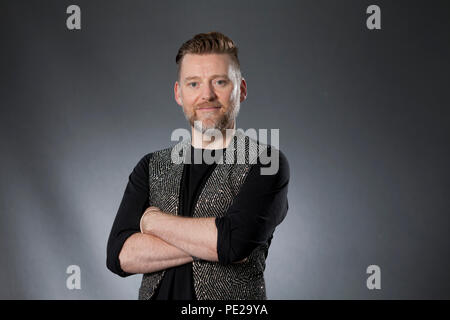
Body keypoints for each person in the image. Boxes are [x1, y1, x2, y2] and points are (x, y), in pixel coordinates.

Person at [106, 31, 290, 300]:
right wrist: (215, 241)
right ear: (179, 93)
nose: (207, 95)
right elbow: (119, 256)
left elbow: (234, 244)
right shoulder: (151, 166)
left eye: (219, 81)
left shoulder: (266, 163)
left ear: (241, 90)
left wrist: (151, 221)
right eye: (193, 84)